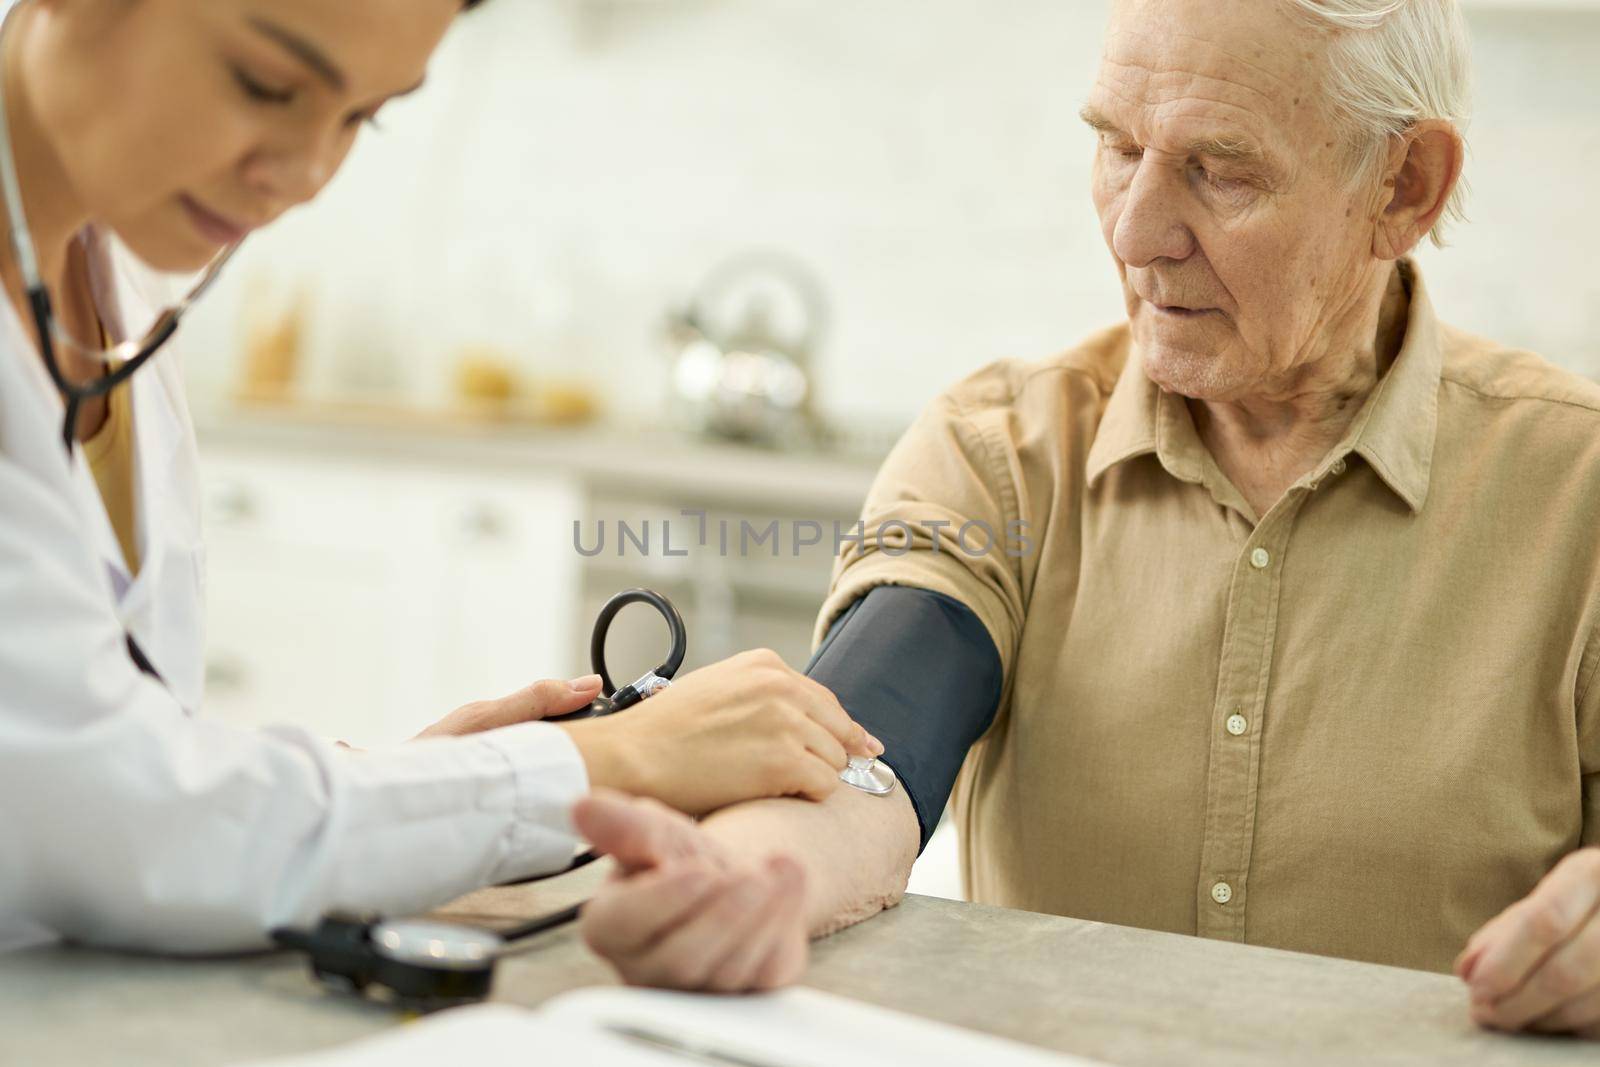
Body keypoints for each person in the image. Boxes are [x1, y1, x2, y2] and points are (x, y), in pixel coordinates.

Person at [578, 0, 1600, 1039]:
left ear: (1403, 185)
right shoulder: (999, 450)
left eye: (1220, 169)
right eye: (1116, 147)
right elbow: (870, 744)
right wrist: (750, 878)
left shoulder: (1579, 491)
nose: (1134, 230)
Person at [0, 0, 879, 962]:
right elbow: (114, 814)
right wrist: (616, 759)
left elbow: (117, 754)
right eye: (266, 84)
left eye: (360, 116)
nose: (302, 177)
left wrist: (409, 788)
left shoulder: (107, 290)